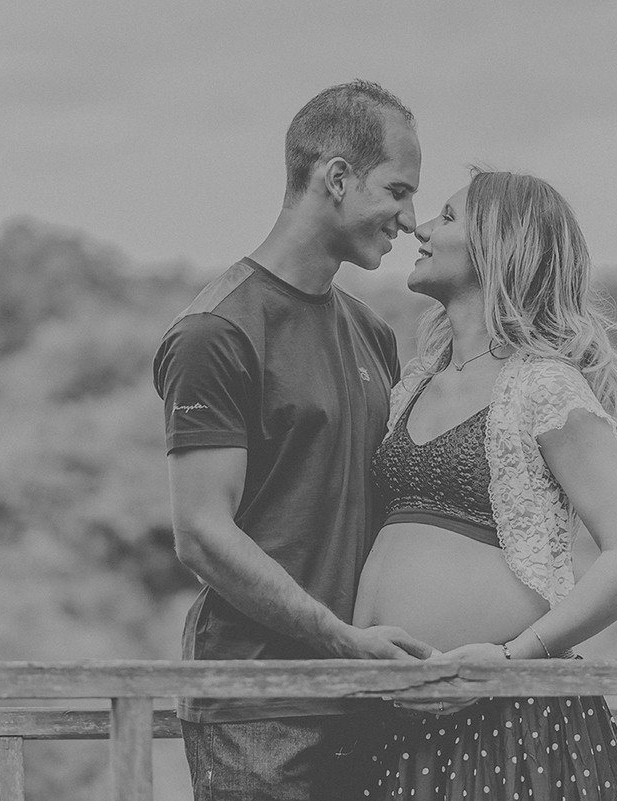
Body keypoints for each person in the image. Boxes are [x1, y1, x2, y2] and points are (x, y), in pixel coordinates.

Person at [342, 169, 617, 799]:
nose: (421, 227)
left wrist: (510, 660)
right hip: (395, 722)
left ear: (500, 246)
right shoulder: (413, 383)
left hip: (508, 721)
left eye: (446, 216)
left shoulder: (543, 386)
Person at [152, 80, 432, 801]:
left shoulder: (372, 331)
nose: (410, 217)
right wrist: (341, 638)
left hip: (365, 697)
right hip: (260, 706)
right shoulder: (218, 330)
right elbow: (202, 534)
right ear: (337, 179)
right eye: (397, 191)